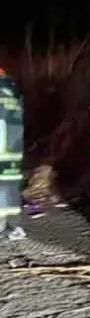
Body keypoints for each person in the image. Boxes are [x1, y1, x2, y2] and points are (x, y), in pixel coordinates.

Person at [0, 67, 22, 234]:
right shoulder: (15, 92)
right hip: (14, 148)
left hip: (1, 148)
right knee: (10, 186)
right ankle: (13, 224)